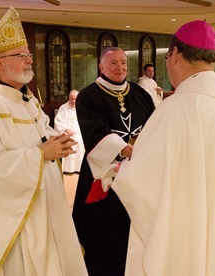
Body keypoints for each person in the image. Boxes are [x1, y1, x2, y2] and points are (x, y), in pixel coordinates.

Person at [102, 20, 215, 275]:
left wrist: (118, 172)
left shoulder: (176, 109)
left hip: (196, 228)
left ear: (175, 55)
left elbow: (144, 181)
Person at [0, 7, 87, 276]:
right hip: (20, 215)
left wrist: (58, 139)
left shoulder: (26, 98)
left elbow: (43, 131)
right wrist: (40, 154)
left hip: (47, 203)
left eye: (28, 55)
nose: (29, 60)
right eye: (20, 56)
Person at [72, 46, 155, 275]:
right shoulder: (88, 96)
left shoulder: (142, 95)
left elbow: (153, 128)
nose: (120, 67)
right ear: (101, 66)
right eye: (113, 63)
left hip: (137, 172)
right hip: (102, 174)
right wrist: (127, 150)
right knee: (104, 236)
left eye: (123, 63)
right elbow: (94, 132)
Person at [54, 89, 85, 174]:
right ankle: (68, 169)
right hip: (66, 132)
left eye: (75, 99)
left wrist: (77, 131)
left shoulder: (82, 107)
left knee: (79, 140)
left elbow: (85, 122)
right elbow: (58, 122)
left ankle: (79, 168)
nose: (73, 101)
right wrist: (66, 129)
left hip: (78, 133)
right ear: (69, 98)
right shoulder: (63, 108)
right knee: (68, 140)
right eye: (72, 99)